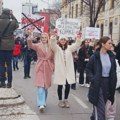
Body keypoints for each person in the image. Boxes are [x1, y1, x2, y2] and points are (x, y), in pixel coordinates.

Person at [86, 36, 117, 120]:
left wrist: (114, 82)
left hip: (108, 83)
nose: (111, 45)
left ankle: (94, 117)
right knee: (100, 107)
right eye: (109, 43)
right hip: (98, 83)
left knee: (104, 103)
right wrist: (93, 79)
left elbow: (113, 71)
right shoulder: (95, 57)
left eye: (111, 43)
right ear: (103, 44)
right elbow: (88, 69)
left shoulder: (112, 57)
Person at [50, 33, 82, 108]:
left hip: (68, 70)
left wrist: (78, 38)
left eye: (64, 39)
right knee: (60, 85)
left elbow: (77, 45)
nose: (63, 41)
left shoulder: (70, 48)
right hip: (60, 70)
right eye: (61, 39)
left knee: (68, 85)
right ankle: (60, 100)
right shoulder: (57, 48)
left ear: (66, 41)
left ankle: (66, 99)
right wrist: (54, 37)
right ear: (59, 40)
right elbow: (52, 44)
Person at [27, 33, 54, 113]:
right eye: (42, 37)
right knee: (40, 86)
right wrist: (30, 36)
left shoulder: (51, 47)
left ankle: (43, 102)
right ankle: (41, 104)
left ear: (47, 38)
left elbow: (53, 58)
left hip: (48, 67)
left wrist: (52, 66)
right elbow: (30, 44)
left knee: (45, 87)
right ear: (40, 38)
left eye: (45, 37)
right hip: (40, 66)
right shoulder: (38, 45)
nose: (44, 39)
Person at [0, 8, 19, 88]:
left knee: (1, 65)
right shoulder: (12, 23)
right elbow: (17, 24)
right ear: (9, 14)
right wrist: (12, 15)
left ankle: (2, 82)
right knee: (9, 65)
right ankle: (9, 82)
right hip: (9, 47)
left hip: (1, 46)